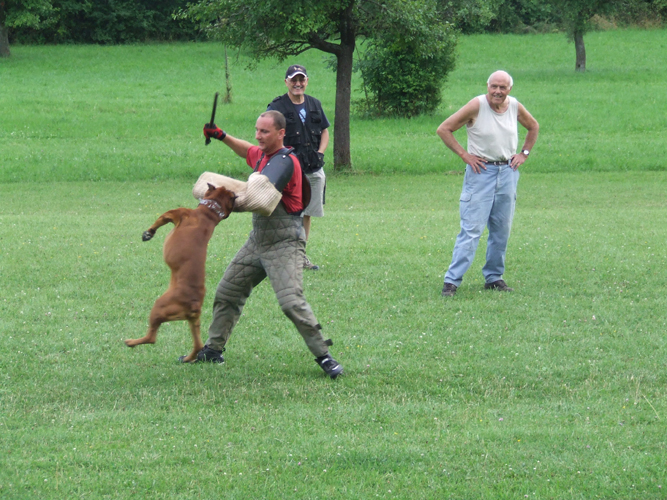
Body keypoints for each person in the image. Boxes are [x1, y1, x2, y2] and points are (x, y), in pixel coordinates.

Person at [196, 110, 343, 379]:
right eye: (257, 129)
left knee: (291, 302)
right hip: (257, 241)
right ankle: (212, 350)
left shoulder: (285, 162)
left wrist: (221, 202)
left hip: (284, 242)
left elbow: (259, 199)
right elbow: (249, 151)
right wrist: (221, 136)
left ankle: (325, 357)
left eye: (265, 131)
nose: (258, 136)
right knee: (227, 292)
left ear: (280, 133)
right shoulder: (264, 155)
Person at [436, 70, 539, 297]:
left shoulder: (514, 106)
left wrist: (524, 153)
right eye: (494, 86)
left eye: (503, 87)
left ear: (510, 89)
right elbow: (444, 129)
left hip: (508, 172)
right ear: (487, 86)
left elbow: (533, 127)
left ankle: (494, 278)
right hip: (480, 172)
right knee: (472, 230)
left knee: (501, 229)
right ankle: (451, 282)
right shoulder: (477, 105)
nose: (498, 92)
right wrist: (466, 156)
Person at [267, 64, 330, 271]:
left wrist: (320, 153)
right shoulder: (277, 107)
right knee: (286, 214)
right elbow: (267, 134)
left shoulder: (314, 104)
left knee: (306, 213)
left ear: (307, 81)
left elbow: (325, 131)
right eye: (293, 80)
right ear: (286, 82)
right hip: (288, 170)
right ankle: (280, 256)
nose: (298, 83)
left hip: (312, 168)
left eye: (301, 79)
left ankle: (300, 257)